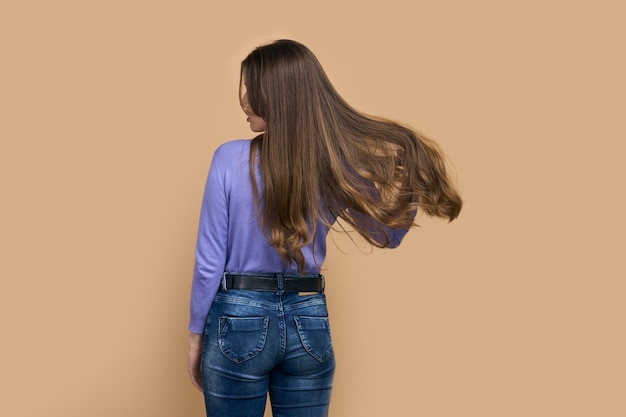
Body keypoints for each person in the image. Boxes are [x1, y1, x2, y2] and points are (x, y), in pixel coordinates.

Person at [187, 39, 462, 417]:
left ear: (278, 95)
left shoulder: (228, 158)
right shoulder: (334, 165)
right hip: (307, 316)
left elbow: (208, 262)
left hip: (238, 318)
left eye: (252, 87)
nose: (244, 99)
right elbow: (388, 236)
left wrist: (195, 336)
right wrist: (410, 185)